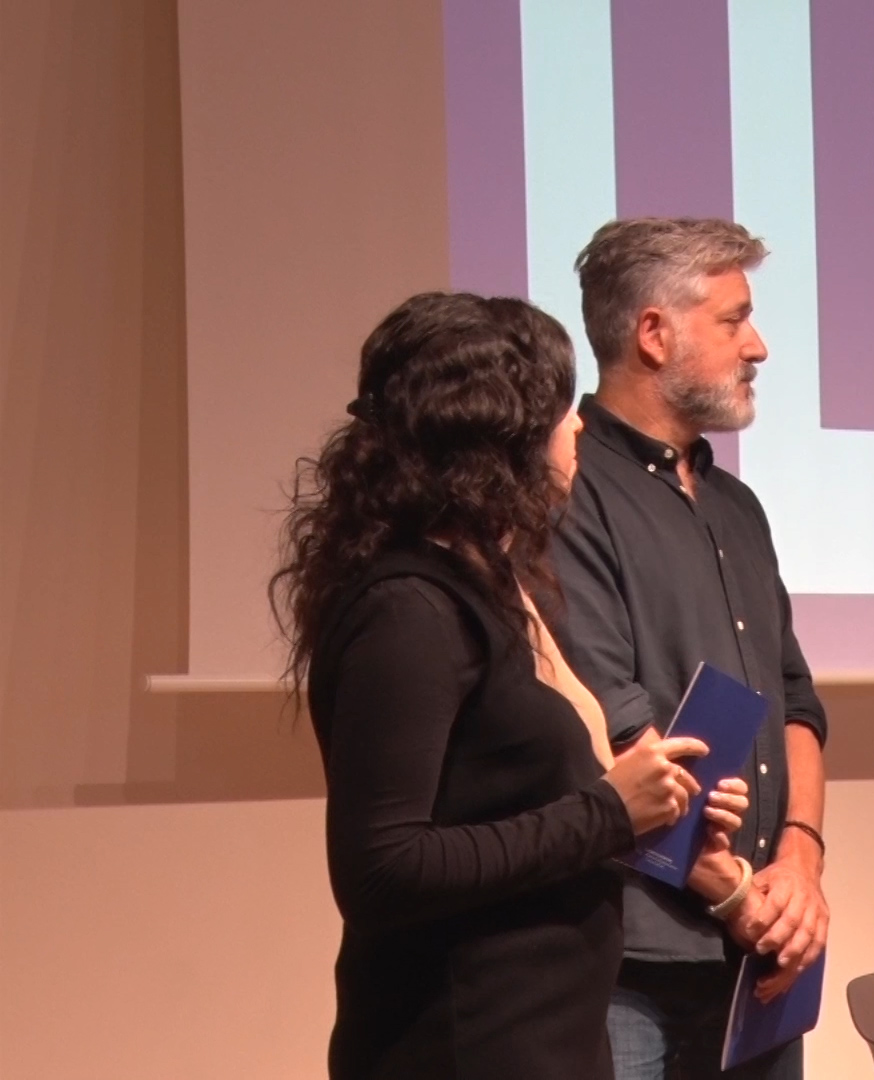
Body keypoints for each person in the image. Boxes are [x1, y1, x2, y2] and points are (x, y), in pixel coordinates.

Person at [272, 292, 750, 1080]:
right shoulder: (410, 608)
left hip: (548, 1037)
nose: (578, 428)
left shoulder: (494, 583)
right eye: (561, 410)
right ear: (504, 434)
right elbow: (381, 869)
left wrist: (662, 811)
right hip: (464, 1047)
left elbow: (523, 808)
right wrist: (610, 812)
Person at [550, 218, 829, 1080]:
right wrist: (736, 894)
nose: (759, 346)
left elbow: (796, 701)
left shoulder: (736, 506)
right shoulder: (567, 489)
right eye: (734, 319)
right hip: (634, 959)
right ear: (653, 333)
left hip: (756, 954)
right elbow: (605, 723)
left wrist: (800, 863)